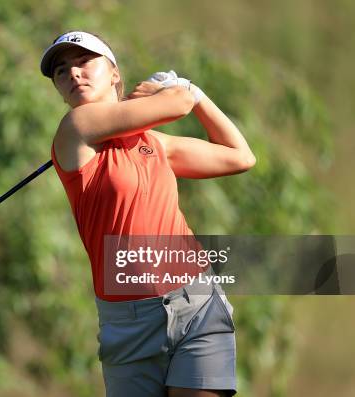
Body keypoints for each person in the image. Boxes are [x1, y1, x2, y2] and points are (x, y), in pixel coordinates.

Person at [40, 31, 256, 397]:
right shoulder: (74, 131)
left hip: (197, 303)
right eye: (62, 70)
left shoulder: (156, 144)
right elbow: (176, 105)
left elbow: (240, 156)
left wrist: (194, 93)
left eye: (84, 62)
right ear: (60, 90)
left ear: (114, 75)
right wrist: (176, 90)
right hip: (128, 325)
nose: (73, 74)